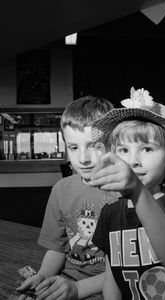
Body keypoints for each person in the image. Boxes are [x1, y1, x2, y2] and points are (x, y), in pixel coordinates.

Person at [88, 87, 165, 300]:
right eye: (123, 150)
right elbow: (112, 280)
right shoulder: (109, 214)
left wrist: (138, 192)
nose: (133, 161)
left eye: (147, 149)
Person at [16, 95, 120, 300]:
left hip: (111, 287)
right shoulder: (61, 190)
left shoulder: (123, 194)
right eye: (73, 147)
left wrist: (76, 289)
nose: (83, 158)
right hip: (65, 281)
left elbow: (124, 268)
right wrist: (43, 281)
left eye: (93, 146)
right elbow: (58, 249)